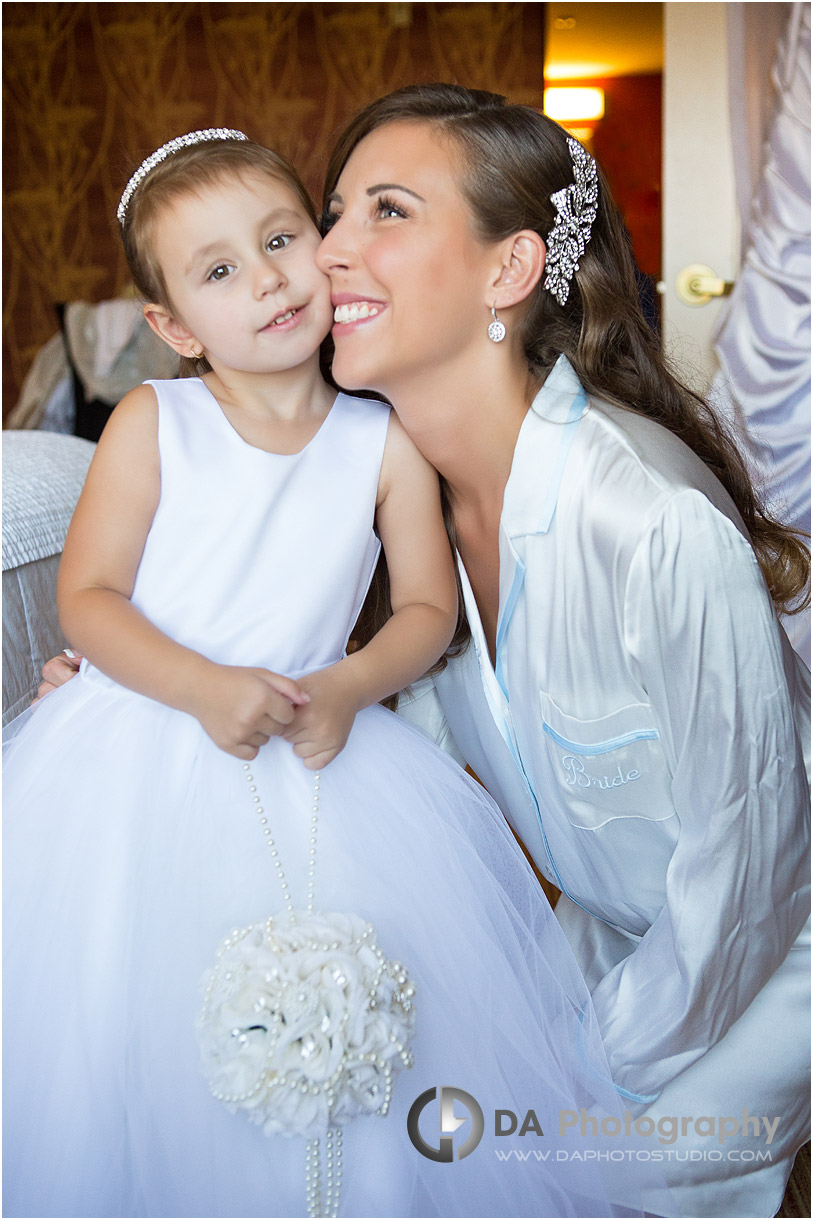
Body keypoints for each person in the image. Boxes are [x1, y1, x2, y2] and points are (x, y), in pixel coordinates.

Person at [3, 129, 655, 1220]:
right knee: (134, 1014)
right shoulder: (154, 423)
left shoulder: (379, 436)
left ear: (323, 246)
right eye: (219, 271)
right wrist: (205, 685)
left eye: (281, 239)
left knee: (371, 1002)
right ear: (171, 325)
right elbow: (91, 601)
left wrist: (352, 686)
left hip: (322, 740)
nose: (265, 279)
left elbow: (426, 610)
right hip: (146, 744)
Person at [309, 85, 810, 1218]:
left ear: (509, 270)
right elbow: (385, 771)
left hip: (767, 962)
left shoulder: (647, 521)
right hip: (610, 950)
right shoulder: (411, 521)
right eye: (333, 211)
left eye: (386, 211)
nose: (329, 249)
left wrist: (577, 1066)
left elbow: (746, 882)